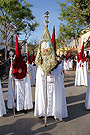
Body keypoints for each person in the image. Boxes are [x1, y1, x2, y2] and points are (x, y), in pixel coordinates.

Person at [7, 35, 33, 113]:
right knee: (16, 95)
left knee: (23, 95)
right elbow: (11, 74)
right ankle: (17, 107)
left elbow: (26, 73)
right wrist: (11, 73)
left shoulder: (24, 65)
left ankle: (24, 107)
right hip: (16, 83)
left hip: (22, 82)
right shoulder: (13, 65)